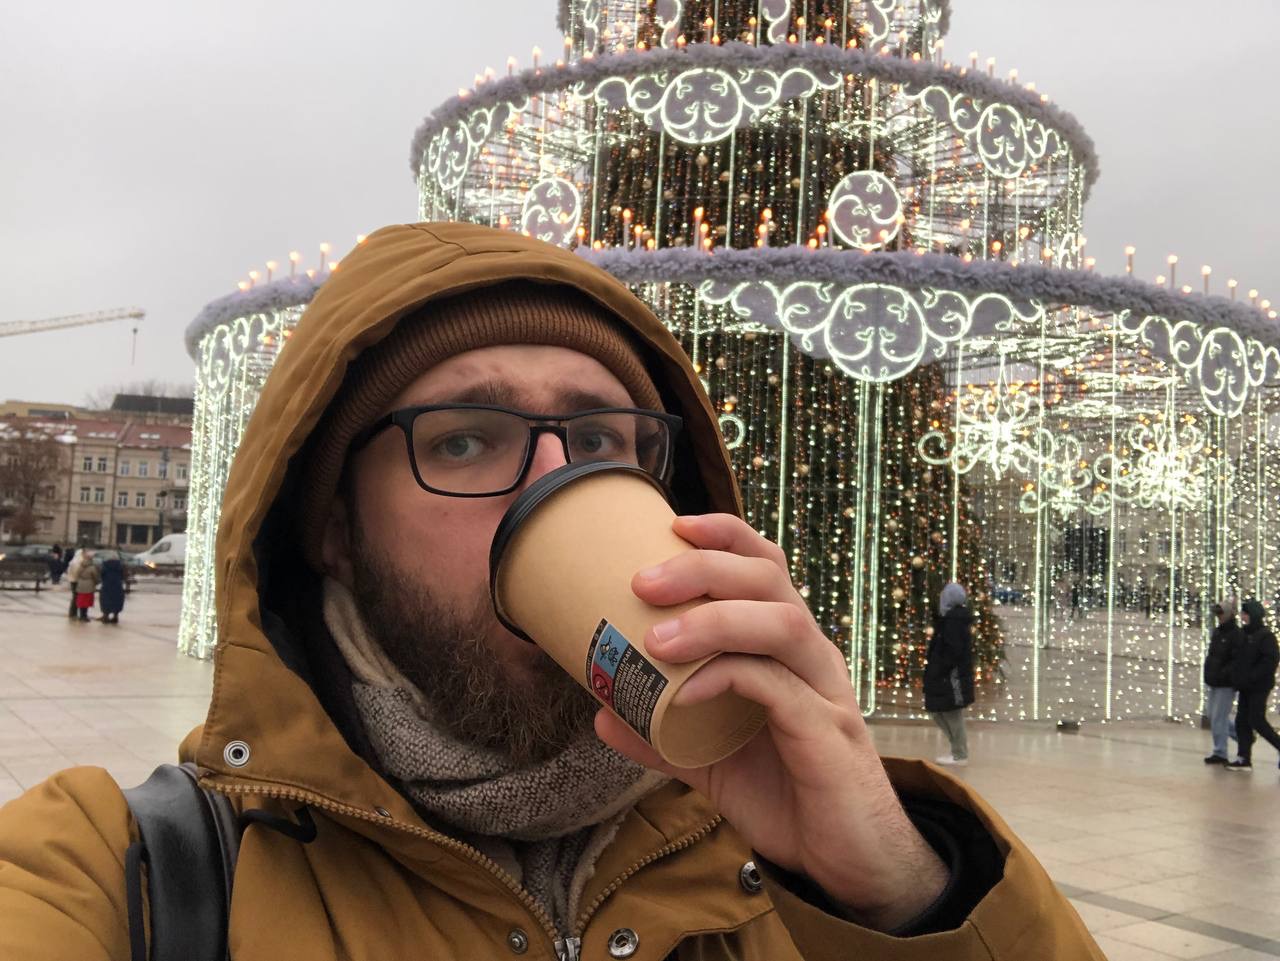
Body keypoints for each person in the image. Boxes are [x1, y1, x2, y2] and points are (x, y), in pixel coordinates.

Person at [0, 224, 1103, 959]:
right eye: (465, 439)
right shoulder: (122, 871)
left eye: (598, 438)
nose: (549, 480)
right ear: (333, 529)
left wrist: (900, 892)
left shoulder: (794, 875)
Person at [924, 582, 976, 766]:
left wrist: (941, 667)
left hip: (951, 677)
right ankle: (957, 748)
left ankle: (959, 753)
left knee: (952, 714)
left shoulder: (954, 621)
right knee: (937, 711)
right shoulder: (949, 619)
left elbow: (953, 650)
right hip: (946, 675)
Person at [1226, 598, 1280, 772]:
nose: (1242, 617)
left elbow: (1270, 661)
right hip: (1245, 685)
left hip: (1259, 686)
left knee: (1257, 720)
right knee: (1241, 721)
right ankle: (1244, 758)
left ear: (1252, 615)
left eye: (1245, 613)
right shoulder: (1243, 634)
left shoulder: (1265, 636)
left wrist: (1252, 676)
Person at [1203, 598, 1240, 765]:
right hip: (1214, 680)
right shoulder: (1218, 632)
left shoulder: (1235, 634)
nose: (1218, 616)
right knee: (1213, 715)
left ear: (1229, 614)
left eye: (1221, 613)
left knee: (1219, 717)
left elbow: (1236, 659)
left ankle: (1220, 752)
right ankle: (1242, 736)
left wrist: (1225, 673)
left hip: (1225, 683)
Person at [71, 550, 99, 623]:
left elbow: (77, 574)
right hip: (89, 586)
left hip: (80, 585)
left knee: (81, 601)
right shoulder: (92, 567)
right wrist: (96, 583)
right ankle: (84, 616)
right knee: (86, 601)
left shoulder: (80, 566)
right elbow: (96, 577)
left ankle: (81, 615)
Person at [97, 554, 126, 624]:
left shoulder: (105, 565)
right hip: (117, 586)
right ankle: (115, 616)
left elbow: (102, 575)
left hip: (107, 585)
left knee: (105, 600)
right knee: (117, 600)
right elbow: (122, 576)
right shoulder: (120, 566)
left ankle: (106, 616)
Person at [64, 547, 87, 618]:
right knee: (76, 597)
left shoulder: (74, 560)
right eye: (84, 553)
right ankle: (73, 613)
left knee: (75, 597)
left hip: (73, 580)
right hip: (76, 580)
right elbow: (77, 572)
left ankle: (73, 612)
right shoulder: (79, 561)